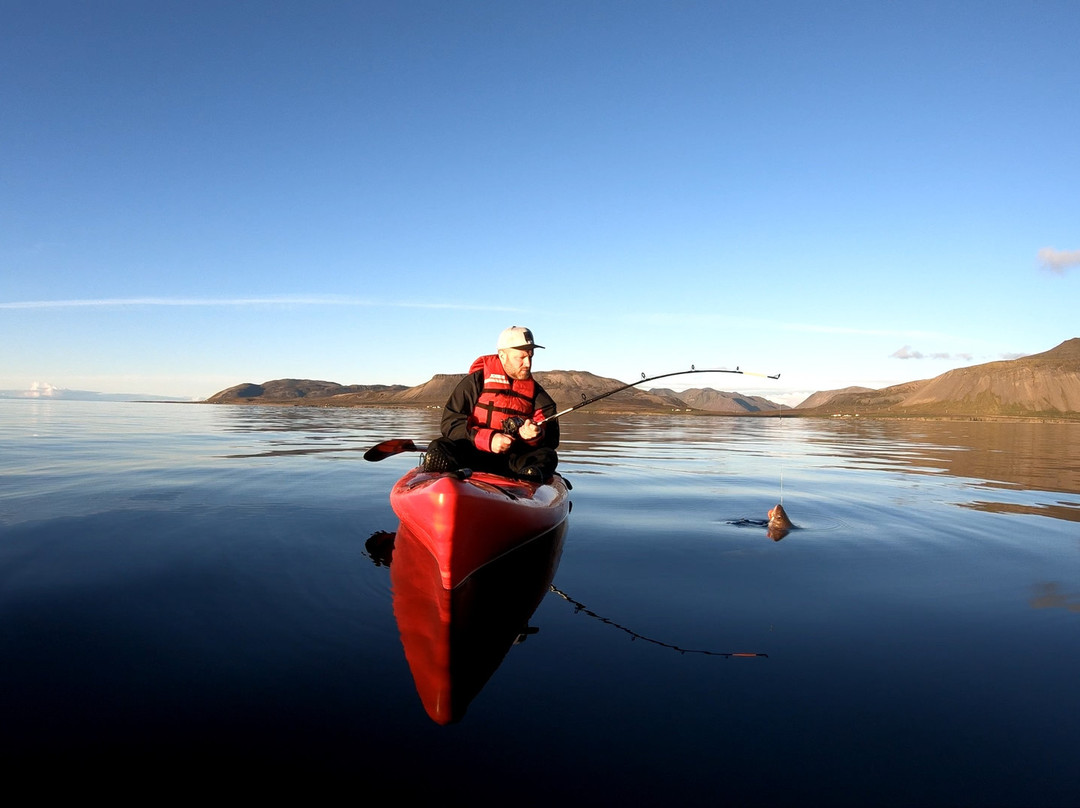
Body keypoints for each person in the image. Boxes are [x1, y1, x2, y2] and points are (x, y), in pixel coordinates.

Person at [423, 326, 559, 480]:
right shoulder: (475, 382)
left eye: (530, 356)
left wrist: (536, 436)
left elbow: (552, 439)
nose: (528, 363)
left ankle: (527, 487)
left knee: (548, 456)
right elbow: (450, 423)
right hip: (473, 453)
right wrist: (488, 439)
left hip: (512, 461)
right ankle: (440, 486)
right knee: (439, 446)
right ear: (502, 355)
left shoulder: (537, 393)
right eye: (520, 358)